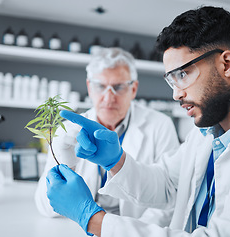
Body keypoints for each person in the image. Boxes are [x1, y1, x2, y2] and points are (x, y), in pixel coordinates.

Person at [46, 6, 230, 237]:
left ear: (227, 63)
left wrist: (93, 219)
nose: (176, 94)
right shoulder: (207, 133)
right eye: (172, 79)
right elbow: (166, 185)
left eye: (183, 74)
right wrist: (116, 161)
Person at [35, 47, 180, 227]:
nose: (108, 97)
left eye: (118, 87)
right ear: (89, 87)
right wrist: (66, 164)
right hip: (82, 228)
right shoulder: (68, 130)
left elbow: (169, 199)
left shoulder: (160, 125)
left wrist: (128, 233)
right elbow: (45, 206)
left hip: (134, 230)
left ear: (133, 89)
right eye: (100, 86)